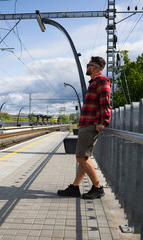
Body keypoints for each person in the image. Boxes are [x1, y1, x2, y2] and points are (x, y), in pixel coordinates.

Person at [57, 56, 111, 199]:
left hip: (91, 125)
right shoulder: (93, 82)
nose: (86, 67)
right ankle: (75, 188)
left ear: (94, 67)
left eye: (88, 65)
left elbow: (105, 103)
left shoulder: (102, 81)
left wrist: (103, 122)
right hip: (86, 124)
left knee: (81, 158)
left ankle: (98, 188)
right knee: (83, 157)